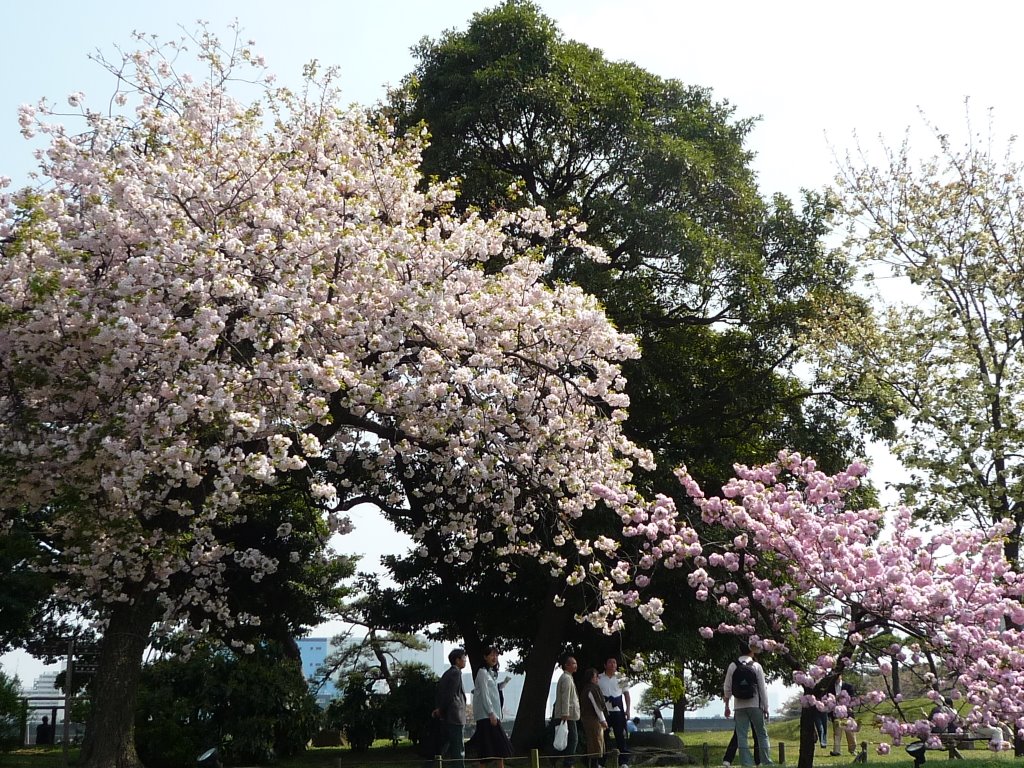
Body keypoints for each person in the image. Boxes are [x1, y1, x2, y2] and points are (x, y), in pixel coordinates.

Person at [723, 642, 772, 768]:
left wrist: (727, 706)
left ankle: (746, 763)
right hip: (755, 704)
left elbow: (727, 688)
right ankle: (766, 761)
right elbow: (762, 688)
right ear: (751, 650)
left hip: (739, 705)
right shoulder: (756, 666)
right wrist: (765, 707)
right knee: (761, 734)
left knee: (741, 735)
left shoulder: (733, 665)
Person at [473, 646, 513, 768]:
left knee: (498, 747)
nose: (494, 658)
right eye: (491, 655)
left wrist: (504, 683)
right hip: (486, 716)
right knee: (488, 749)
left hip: (494, 714)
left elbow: (494, 689)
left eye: (496, 655)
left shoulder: (491, 673)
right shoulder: (482, 673)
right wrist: (491, 713)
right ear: (485, 657)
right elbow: (485, 694)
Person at [433, 647, 468, 768]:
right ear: (457, 660)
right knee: (458, 749)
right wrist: (441, 709)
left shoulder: (447, 673)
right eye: (464, 658)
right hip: (455, 716)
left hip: (449, 716)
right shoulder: (455, 673)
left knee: (445, 746)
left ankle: (433, 765)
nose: (465, 661)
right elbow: (451, 694)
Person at [598, 657, 631, 768]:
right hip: (604, 712)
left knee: (620, 737)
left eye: (614, 662)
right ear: (605, 665)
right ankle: (601, 762)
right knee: (603, 738)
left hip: (618, 711)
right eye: (610, 662)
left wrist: (628, 709)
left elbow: (626, 694)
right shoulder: (599, 678)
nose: (612, 664)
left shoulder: (621, 677)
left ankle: (623, 762)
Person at [552, 654, 581, 768]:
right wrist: (565, 713)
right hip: (567, 715)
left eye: (576, 663)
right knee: (573, 739)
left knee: (566, 738)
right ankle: (568, 763)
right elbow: (565, 697)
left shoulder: (568, 677)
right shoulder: (566, 678)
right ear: (566, 665)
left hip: (567, 715)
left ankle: (558, 759)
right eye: (573, 663)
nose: (575, 665)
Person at [579, 667, 608, 768]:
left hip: (587, 719)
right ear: (591, 678)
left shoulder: (585, 689)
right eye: (596, 677)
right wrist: (603, 720)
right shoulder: (592, 689)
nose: (597, 679)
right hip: (592, 719)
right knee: (596, 742)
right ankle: (594, 764)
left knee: (593, 741)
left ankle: (592, 763)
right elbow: (597, 706)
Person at [829, 675, 857, 756]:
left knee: (850, 733)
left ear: (841, 676)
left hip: (848, 713)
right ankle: (836, 751)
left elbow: (852, 698)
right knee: (837, 733)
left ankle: (852, 750)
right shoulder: (830, 687)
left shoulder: (848, 686)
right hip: (836, 714)